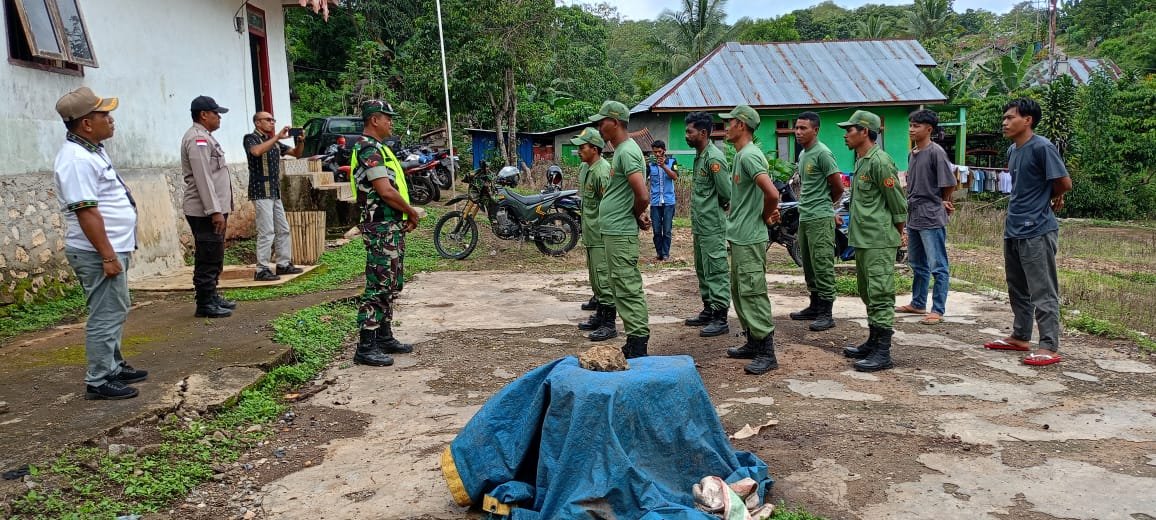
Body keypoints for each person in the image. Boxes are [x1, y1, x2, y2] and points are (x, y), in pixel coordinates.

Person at [53, 87, 148, 400]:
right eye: (104, 114)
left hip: (111, 247)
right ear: (86, 123)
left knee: (115, 308)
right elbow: (87, 212)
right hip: (97, 252)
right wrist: (107, 256)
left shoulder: (92, 150)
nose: (111, 119)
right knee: (105, 313)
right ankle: (99, 379)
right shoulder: (76, 160)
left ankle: (113, 365)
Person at [983, 98, 1072, 366]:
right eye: (1004, 118)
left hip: (1037, 229)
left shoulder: (1042, 147)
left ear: (1028, 120)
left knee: (1042, 289)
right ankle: (1020, 336)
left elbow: (1064, 183)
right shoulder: (1013, 150)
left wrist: (1048, 198)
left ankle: (1048, 345)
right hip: (1014, 227)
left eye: (1010, 117)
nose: (1004, 122)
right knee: (1017, 286)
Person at [349, 100, 423, 367]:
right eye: (387, 117)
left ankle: (383, 336)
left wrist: (403, 215)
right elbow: (385, 190)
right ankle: (366, 346)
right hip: (380, 225)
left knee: (391, 282)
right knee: (379, 283)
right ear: (374, 120)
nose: (391, 122)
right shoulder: (368, 148)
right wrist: (411, 212)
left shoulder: (379, 148)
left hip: (390, 225)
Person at [838, 110, 908, 372]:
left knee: (880, 293)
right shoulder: (861, 161)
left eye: (850, 130)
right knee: (868, 292)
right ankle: (873, 340)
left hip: (879, 239)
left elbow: (897, 204)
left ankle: (883, 351)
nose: (845, 135)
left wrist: (897, 234)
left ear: (864, 131)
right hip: (863, 239)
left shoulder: (881, 162)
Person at [718, 105, 781, 375]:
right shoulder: (742, 155)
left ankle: (767, 351)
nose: (726, 127)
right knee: (740, 291)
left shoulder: (750, 156)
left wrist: (766, 216)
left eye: (729, 122)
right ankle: (754, 342)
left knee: (753, 292)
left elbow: (772, 194)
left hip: (749, 236)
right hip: (740, 235)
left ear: (741, 125)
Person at [589, 100, 652, 358]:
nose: (599, 127)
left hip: (620, 231)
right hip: (614, 230)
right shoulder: (621, 151)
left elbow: (642, 194)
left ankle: (638, 343)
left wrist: (636, 214)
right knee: (619, 285)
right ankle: (633, 339)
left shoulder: (627, 152)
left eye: (601, 122)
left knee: (626, 286)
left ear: (614, 122)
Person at [896, 109, 956, 325]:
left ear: (929, 129)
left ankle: (938, 309)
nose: (911, 129)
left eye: (917, 126)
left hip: (931, 216)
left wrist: (943, 201)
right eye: (910, 125)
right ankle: (918, 302)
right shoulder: (912, 153)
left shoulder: (936, 152)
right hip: (914, 215)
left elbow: (949, 182)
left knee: (938, 265)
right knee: (917, 263)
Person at [788, 111, 844, 332]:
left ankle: (826, 313)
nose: (798, 132)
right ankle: (814, 305)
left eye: (803, 128)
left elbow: (838, 187)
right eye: (797, 127)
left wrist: (825, 207)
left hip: (820, 217)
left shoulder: (823, 153)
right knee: (809, 264)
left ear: (816, 130)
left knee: (822, 263)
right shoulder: (804, 154)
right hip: (805, 216)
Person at [181, 96, 235, 318]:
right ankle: (204, 303)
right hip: (204, 211)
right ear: (204, 115)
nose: (219, 117)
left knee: (215, 253)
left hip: (213, 209)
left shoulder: (206, 137)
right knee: (208, 254)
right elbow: (203, 177)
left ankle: (211, 295)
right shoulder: (198, 139)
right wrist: (214, 211)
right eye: (215, 113)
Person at [682, 111, 732, 337]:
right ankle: (708, 309)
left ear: (703, 133)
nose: (686, 136)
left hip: (712, 225)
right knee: (703, 268)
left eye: (689, 132)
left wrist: (716, 209)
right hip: (701, 225)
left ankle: (720, 317)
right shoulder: (700, 157)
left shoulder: (714, 158)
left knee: (716, 269)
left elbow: (726, 192)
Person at [245, 111, 305, 281]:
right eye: (268, 120)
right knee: (266, 231)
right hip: (260, 191)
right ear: (257, 123)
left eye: (273, 120)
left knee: (283, 229)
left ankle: (283, 264)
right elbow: (256, 152)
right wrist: (277, 136)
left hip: (274, 191)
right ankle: (261, 269)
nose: (272, 122)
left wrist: (301, 141)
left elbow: (296, 153)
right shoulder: (250, 138)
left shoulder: (275, 142)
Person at [572, 128, 617, 341]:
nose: (579, 151)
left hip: (600, 234)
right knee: (595, 278)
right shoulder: (586, 168)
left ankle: (609, 323)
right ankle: (600, 315)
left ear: (595, 149)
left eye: (582, 147)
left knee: (603, 278)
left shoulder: (602, 172)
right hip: (590, 233)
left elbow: (609, 205)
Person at [647, 140, 679, 261]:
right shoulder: (650, 165)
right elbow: (643, 179)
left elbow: (675, 176)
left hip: (669, 202)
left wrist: (664, 166)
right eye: (654, 152)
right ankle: (659, 253)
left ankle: (665, 254)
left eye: (659, 151)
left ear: (664, 150)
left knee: (667, 230)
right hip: (655, 202)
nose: (657, 154)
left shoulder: (672, 162)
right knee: (656, 230)